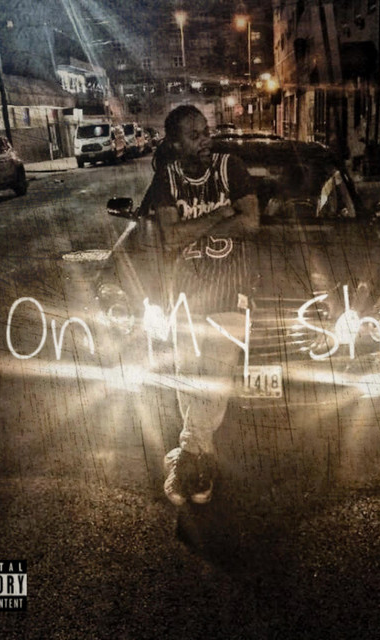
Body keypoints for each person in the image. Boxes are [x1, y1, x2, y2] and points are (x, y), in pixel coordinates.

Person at [148, 105, 259, 506]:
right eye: (194, 135)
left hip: (229, 293)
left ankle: (185, 458)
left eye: (206, 131)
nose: (205, 140)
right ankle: (202, 461)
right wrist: (222, 212)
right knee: (188, 380)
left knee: (213, 379)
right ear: (175, 143)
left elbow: (251, 222)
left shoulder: (231, 168)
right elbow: (170, 238)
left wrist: (193, 227)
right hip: (184, 298)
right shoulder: (167, 178)